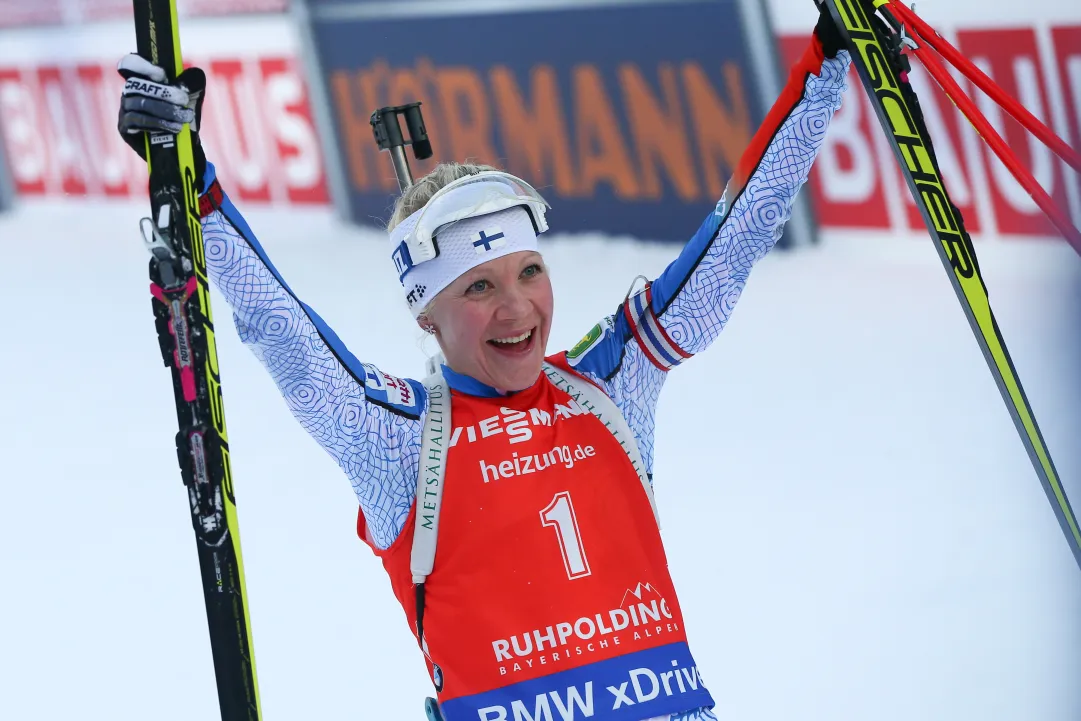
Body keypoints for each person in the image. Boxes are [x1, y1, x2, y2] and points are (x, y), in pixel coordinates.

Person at [117, 4, 850, 719]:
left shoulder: (606, 384)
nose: (517, 309)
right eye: (478, 286)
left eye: (529, 272)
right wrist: (192, 184)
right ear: (423, 313)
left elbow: (734, 241)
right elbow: (289, 338)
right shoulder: (399, 438)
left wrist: (826, 63)